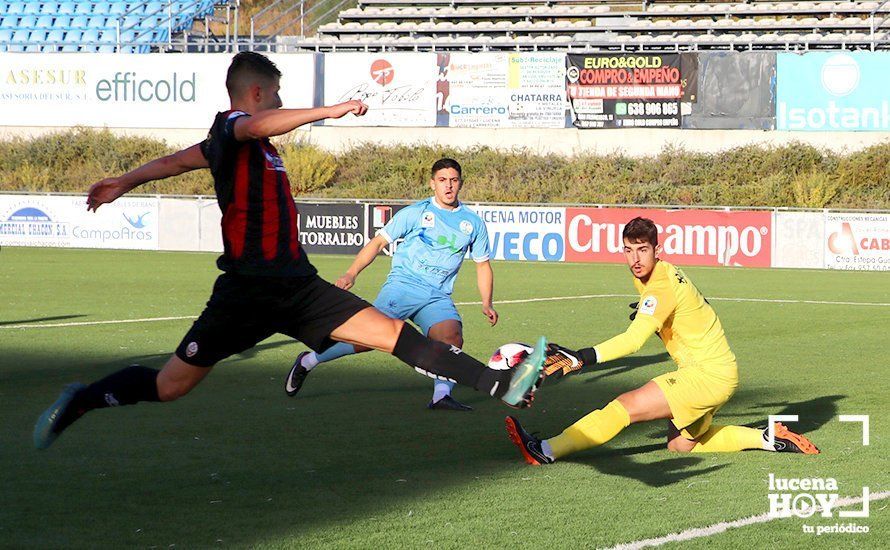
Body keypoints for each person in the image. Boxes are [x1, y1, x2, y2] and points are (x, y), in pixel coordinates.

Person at [33, 52, 547, 450]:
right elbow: (250, 125)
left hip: (298, 285)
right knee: (171, 386)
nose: (279, 103)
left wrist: (124, 180)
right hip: (245, 292)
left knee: (398, 337)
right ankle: (83, 398)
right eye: (276, 94)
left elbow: (174, 162)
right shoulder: (232, 129)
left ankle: (497, 383)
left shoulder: (251, 147)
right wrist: (331, 109)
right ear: (256, 92)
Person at [505, 216, 819, 465]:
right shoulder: (663, 275)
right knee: (680, 445)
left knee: (624, 406)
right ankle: (767, 438)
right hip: (720, 373)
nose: (635, 259)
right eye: (629, 250)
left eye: (643, 250)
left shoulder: (659, 286)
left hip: (705, 375)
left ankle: (545, 450)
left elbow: (633, 341)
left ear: (658, 249)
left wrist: (582, 357)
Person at [285, 158, 496, 411]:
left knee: (451, 337)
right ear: (432, 184)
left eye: (453, 180)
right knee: (364, 340)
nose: (448, 186)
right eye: (442, 180)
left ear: (460, 183)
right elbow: (377, 243)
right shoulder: (415, 213)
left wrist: (487, 302)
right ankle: (309, 360)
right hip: (403, 286)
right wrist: (351, 273)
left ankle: (441, 396)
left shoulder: (473, 223)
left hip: (437, 295)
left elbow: (482, 264)